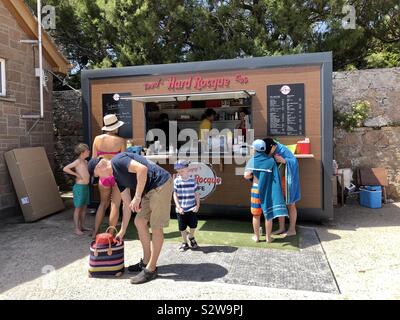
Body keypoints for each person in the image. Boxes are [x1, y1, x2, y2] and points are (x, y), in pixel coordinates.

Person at [88, 151, 173, 284]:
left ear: (100, 167)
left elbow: (142, 169)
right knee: (139, 221)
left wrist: (138, 196)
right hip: (150, 189)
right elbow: (127, 204)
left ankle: (151, 269)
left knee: (156, 227)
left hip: (161, 184)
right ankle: (146, 261)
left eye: (98, 175)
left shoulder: (117, 160)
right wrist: (122, 230)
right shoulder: (117, 177)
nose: (100, 179)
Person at [244, 139, 288, 243]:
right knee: (268, 214)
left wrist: (253, 174)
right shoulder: (271, 161)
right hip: (268, 190)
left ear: (255, 150)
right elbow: (275, 177)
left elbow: (246, 175)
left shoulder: (253, 160)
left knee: (256, 215)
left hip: (256, 190)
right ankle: (268, 237)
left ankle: (256, 237)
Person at [91, 114, 126, 238]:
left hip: (103, 176)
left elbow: (94, 160)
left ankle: (95, 232)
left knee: (102, 204)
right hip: (116, 175)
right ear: (116, 127)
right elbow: (123, 161)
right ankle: (111, 233)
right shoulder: (121, 141)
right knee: (115, 204)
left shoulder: (97, 139)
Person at [263, 138, 301, 237]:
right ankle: (281, 228)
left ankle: (292, 229)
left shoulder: (282, 149)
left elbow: (294, 162)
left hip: (288, 180)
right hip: (280, 180)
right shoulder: (274, 149)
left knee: (291, 204)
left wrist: (284, 160)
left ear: (273, 146)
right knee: (280, 203)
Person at [63, 143, 91, 235]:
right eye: (87, 150)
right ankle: (76, 228)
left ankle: (82, 226)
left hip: (85, 187)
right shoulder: (78, 161)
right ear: (82, 152)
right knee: (78, 208)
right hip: (79, 187)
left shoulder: (86, 162)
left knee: (84, 208)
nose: (89, 152)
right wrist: (76, 174)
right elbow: (65, 168)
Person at [173, 160, 200, 251]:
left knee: (193, 226)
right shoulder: (176, 181)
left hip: (192, 208)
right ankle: (185, 242)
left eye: (182, 170)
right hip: (181, 210)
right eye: (178, 171)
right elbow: (175, 195)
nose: (180, 173)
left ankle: (191, 237)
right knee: (182, 227)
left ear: (187, 169)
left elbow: (196, 194)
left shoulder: (193, 181)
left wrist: (197, 206)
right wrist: (178, 207)